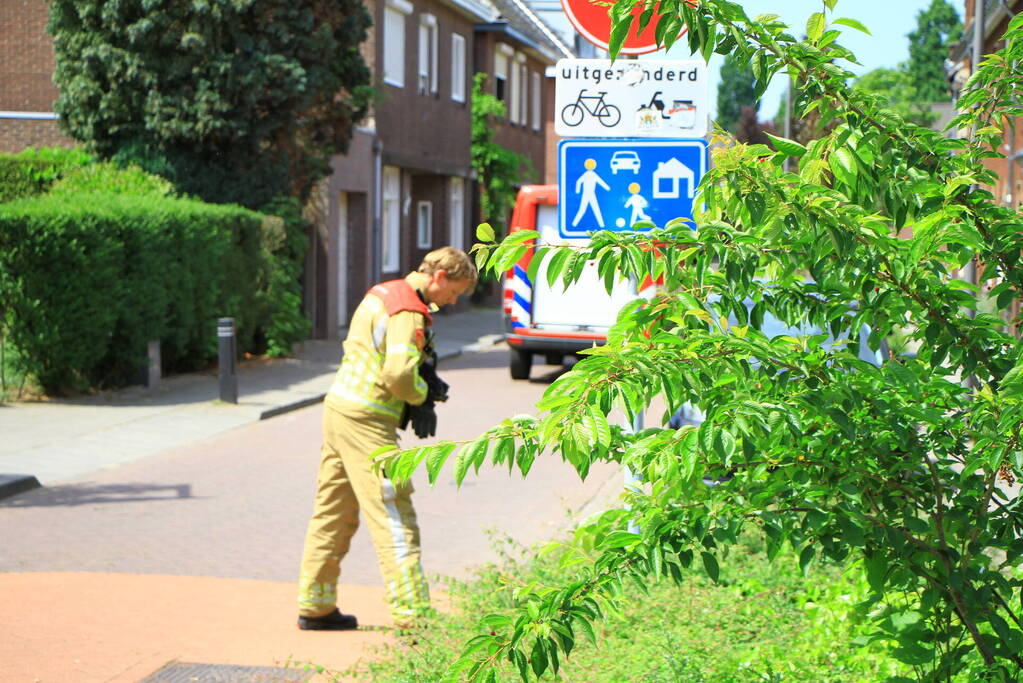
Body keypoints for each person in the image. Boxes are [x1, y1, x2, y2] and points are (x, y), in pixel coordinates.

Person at [297, 247, 477, 631]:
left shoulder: (382, 292)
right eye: (454, 291)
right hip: (368, 419)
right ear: (439, 276)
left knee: (333, 511)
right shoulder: (408, 310)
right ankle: (414, 616)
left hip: (340, 408)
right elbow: (397, 373)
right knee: (394, 512)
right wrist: (421, 396)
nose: (452, 300)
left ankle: (315, 604)